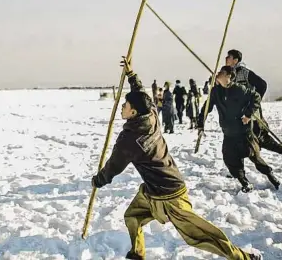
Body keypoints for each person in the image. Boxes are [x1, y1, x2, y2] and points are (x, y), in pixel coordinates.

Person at [91, 57, 262, 260]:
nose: (122, 107)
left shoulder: (129, 139)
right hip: (155, 191)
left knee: (199, 236)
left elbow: (113, 167)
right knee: (132, 216)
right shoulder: (151, 115)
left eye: (125, 105)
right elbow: (142, 96)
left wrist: (99, 180)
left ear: (133, 111)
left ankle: (244, 258)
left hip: (170, 194)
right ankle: (137, 254)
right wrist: (131, 75)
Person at [197, 66, 280, 193]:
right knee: (230, 159)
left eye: (221, 72)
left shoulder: (239, 90)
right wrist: (200, 124)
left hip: (244, 133)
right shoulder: (215, 92)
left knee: (254, 156)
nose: (218, 73)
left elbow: (256, 98)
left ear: (229, 76)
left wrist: (248, 114)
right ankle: (244, 182)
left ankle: (271, 176)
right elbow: (205, 108)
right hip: (228, 133)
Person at [225, 50, 282, 165]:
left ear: (235, 60)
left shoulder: (244, 72)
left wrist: (253, 102)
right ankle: (236, 168)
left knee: (261, 138)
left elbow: (262, 85)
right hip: (238, 113)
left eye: (229, 57)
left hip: (251, 113)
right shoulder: (229, 74)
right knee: (238, 138)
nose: (226, 58)